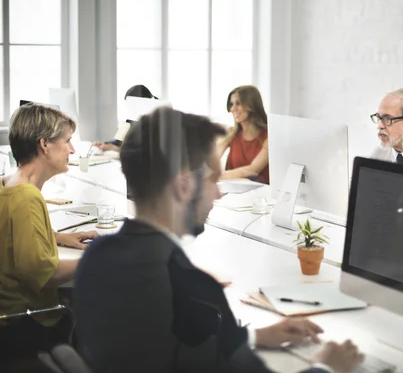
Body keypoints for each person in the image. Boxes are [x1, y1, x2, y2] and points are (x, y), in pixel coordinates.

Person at [74, 108, 363, 373]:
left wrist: (252, 336)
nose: (219, 194)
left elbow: (166, 341)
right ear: (184, 186)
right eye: (214, 180)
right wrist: (327, 368)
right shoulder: (193, 290)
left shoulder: (98, 254)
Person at [0, 103, 98, 362]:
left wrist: (57, 237)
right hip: (29, 323)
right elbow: (44, 273)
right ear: (44, 145)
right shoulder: (27, 197)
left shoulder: (8, 184)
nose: (72, 149)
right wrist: (98, 255)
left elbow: (11, 235)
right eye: (67, 141)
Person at [218, 85, 270, 184]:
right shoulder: (231, 133)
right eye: (231, 104)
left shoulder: (268, 138)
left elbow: (252, 170)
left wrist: (215, 176)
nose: (233, 109)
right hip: (233, 193)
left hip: (259, 195)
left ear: (252, 106)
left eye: (238, 103)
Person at [92, 84, 158, 152]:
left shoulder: (156, 123)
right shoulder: (130, 120)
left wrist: (115, 148)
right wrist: (104, 144)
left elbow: (146, 151)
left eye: (132, 104)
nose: (129, 108)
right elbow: (118, 141)